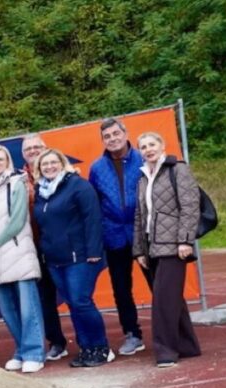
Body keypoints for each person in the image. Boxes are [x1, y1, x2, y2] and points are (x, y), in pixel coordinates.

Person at [33, 149, 115, 367]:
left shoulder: (78, 185)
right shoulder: (40, 191)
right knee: (73, 304)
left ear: (62, 163)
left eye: (53, 162)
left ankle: (101, 347)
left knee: (81, 301)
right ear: (39, 168)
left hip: (80, 257)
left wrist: (94, 252)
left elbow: (93, 219)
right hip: (54, 259)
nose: (49, 167)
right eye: (44, 164)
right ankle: (86, 348)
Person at [133, 132, 202, 368]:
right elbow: (140, 216)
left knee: (163, 301)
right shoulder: (142, 177)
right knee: (172, 299)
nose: (148, 149)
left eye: (152, 144)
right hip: (151, 247)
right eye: (143, 147)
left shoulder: (177, 169)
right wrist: (139, 250)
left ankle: (166, 352)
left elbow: (190, 206)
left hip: (173, 246)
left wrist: (185, 240)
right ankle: (188, 346)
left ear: (162, 146)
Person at [0, 145, 45, 373]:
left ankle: (35, 352)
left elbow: (17, 220)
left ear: (7, 161)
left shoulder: (17, 183)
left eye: (0, 159)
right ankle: (21, 350)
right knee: (8, 311)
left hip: (18, 253)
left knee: (28, 309)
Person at [88, 118, 150, 356]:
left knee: (159, 283)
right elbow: (95, 202)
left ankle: (172, 330)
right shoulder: (97, 168)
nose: (112, 139)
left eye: (116, 134)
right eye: (107, 136)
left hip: (143, 232)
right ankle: (133, 334)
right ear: (103, 141)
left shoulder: (142, 159)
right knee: (121, 289)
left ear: (125, 134)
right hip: (114, 235)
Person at [19, 134, 69, 361]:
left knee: (74, 295)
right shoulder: (18, 181)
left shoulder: (60, 175)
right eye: (28, 148)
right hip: (34, 248)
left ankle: (91, 340)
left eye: (37, 147)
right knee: (44, 299)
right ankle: (56, 342)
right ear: (23, 154)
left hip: (61, 245)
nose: (33, 151)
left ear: (46, 149)